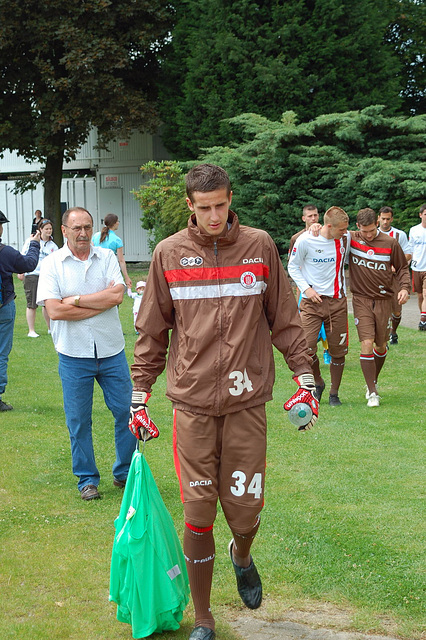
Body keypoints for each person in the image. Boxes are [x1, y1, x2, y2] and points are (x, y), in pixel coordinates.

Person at [128, 164, 317, 640]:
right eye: (204, 207)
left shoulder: (259, 247)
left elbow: (287, 320)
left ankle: (242, 554)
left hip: (246, 402)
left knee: (246, 511)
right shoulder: (169, 253)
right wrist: (139, 394)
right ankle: (205, 617)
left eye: (221, 205)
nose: (214, 216)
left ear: (231, 198)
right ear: (190, 205)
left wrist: (306, 378)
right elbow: (153, 330)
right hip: (191, 405)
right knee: (198, 513)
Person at [37, 207, 136, 500]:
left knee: (125, 412)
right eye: (77, 228)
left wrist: (76, 301)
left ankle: (124, 472)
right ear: (64, 231)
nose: (83, 233)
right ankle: (87, 479)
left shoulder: (105, 257)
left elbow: (117, 296)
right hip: (73, 354)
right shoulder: (53, 264)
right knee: (79, 420)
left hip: (111, 350)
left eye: (87, 227)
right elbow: (54, 310)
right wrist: (100, 302)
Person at [288, 206, 350, 406]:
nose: (344, 232)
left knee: (337, 351)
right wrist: (306, 289)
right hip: (312, 302)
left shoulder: (346, 239)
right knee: (307, 347)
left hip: (337, 303)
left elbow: (366, 233)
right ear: (329, 226)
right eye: (341, 229)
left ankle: (334, 393)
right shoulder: (306, 239)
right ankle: (318, 382)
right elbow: (292, 266)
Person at [349, 208, 410, 407]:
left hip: (384, 299)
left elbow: (402, 268)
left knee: (380, 345)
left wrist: (405, 288)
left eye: (372, 230)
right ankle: (373, 392)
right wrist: (314, 227)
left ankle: (371, 381)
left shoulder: (390, 242)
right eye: (365, 231)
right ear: (357, 226)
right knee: (366, 342)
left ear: (377, 223)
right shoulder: (350, 238)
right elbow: (328, 233)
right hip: (361, 299)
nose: (368, 235)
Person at [0, 211, 40, 411]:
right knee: (0, 354)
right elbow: (29, 264)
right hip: (3, 308)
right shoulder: (5, 252)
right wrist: (34, 243)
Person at [377, 207, 412, 344]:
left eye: (388, 219)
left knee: (396, 310)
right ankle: (382, 336)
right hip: (378, 277)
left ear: (391, 219)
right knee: (380, 308)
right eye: (383, 218)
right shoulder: (373, 234)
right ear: (378, 218)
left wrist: (396, 262)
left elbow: (408, 254)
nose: (385, 222)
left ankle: (393, 332)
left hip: (394, 277)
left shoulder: (399, 235)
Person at [19, 219, 58, 337]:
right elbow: (23, 255)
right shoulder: (31, 241)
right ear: (40, 230)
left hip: (46, 276)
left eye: (50, 229)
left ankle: (50, 328)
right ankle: (31, 330)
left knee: (47, 303)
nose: (49, 231)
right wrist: (21, 271)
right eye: (46, 229)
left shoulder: (53, 246)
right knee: (32, 304)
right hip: (32, 275)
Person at [92, 213, 132, 288]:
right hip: (109, 269)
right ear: (114, 223)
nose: (118, 223)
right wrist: (126, 277)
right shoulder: (117, 240)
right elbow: (121, 260)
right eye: (117, 221)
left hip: (96, 269)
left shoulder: (96, 236)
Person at [408, 203, 426, 331]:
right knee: (420, 295)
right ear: (420, 215)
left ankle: (423, 320)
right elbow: (410, 249)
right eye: (425, 214)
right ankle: (423, 315)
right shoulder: (414, 230)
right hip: (417, 267)